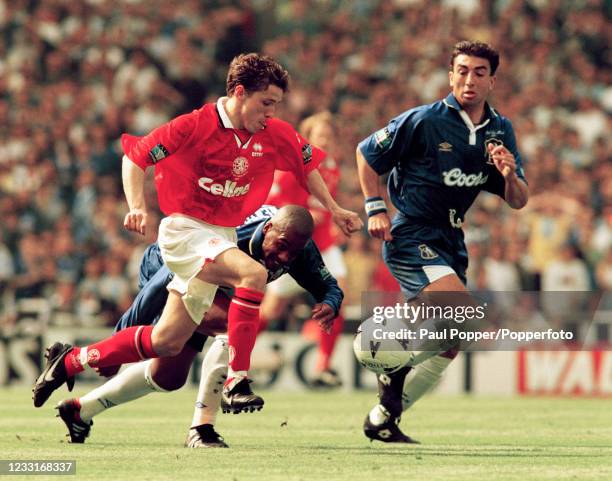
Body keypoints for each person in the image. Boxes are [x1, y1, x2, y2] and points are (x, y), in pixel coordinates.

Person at [33, 53, 361, 412]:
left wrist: (334, 208)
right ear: (239, 92)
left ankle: (69, 361)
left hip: (222, 235)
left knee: (168, 342)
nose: (271, 113)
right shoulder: (194, 125)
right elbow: (136, 158)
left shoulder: (273, 133)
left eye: (276, 105)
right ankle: (237, 380)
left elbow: (307, 164)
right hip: (185, 229)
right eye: (266, 103)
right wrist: (138, 206)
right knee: (253, 274)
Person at [52, 205, 343, 447]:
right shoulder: (235, 236)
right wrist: (118, 342)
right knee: (236, 324)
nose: (284, 258)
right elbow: (162, 281)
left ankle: (80, 410)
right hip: (167, 265)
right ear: (267, 229)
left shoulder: (299, 249)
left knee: (168, 377)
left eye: (291, 254)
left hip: (213, 288)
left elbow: (329, 284)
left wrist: (330, 302)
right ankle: (204, 426)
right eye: (281, 247)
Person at [355, 41, 528, 443]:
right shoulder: (423, 120)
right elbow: (366, 154)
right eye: (462, 71)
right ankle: (387, 359)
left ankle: (383, 418)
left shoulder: (500, 130)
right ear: (450, 75)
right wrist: (374, 206)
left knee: (453, 340)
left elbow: (519, 201)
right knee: (465, 316)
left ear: (492, 81)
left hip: (451, 237)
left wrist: (509, 175)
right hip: (413, 231)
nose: (469, 79)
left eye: (479, 72)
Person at [262, 111, 347, 387]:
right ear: (307, 139)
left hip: (324, 245)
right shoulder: (290, 166)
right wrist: (306, 215)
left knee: (338, 295)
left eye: (329, 137)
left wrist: (331, 221)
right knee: (271, 309)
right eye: (320, 136)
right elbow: (276, 207)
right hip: (295, 249)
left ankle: (323, 365)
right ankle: (233, 346)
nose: (325, 142)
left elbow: (325, 202)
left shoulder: (332, 166)